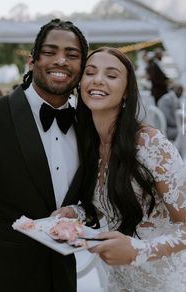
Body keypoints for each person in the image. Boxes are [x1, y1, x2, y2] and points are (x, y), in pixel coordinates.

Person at [0, 18, 88, 292]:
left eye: (72, 55)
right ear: (32, 61)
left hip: (61, 280)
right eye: (50, 52)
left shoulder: (90, 126)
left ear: (82, 67)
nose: (61, 61)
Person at [53, 47, 186, 291]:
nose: (98, 79)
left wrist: (139, 250)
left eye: (111, 75)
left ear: (126, 92)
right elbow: (111, 204)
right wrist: (76, 213)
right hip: (119, 283)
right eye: (90, 72)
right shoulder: (87, 143)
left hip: (164, 284)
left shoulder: (149, 144)